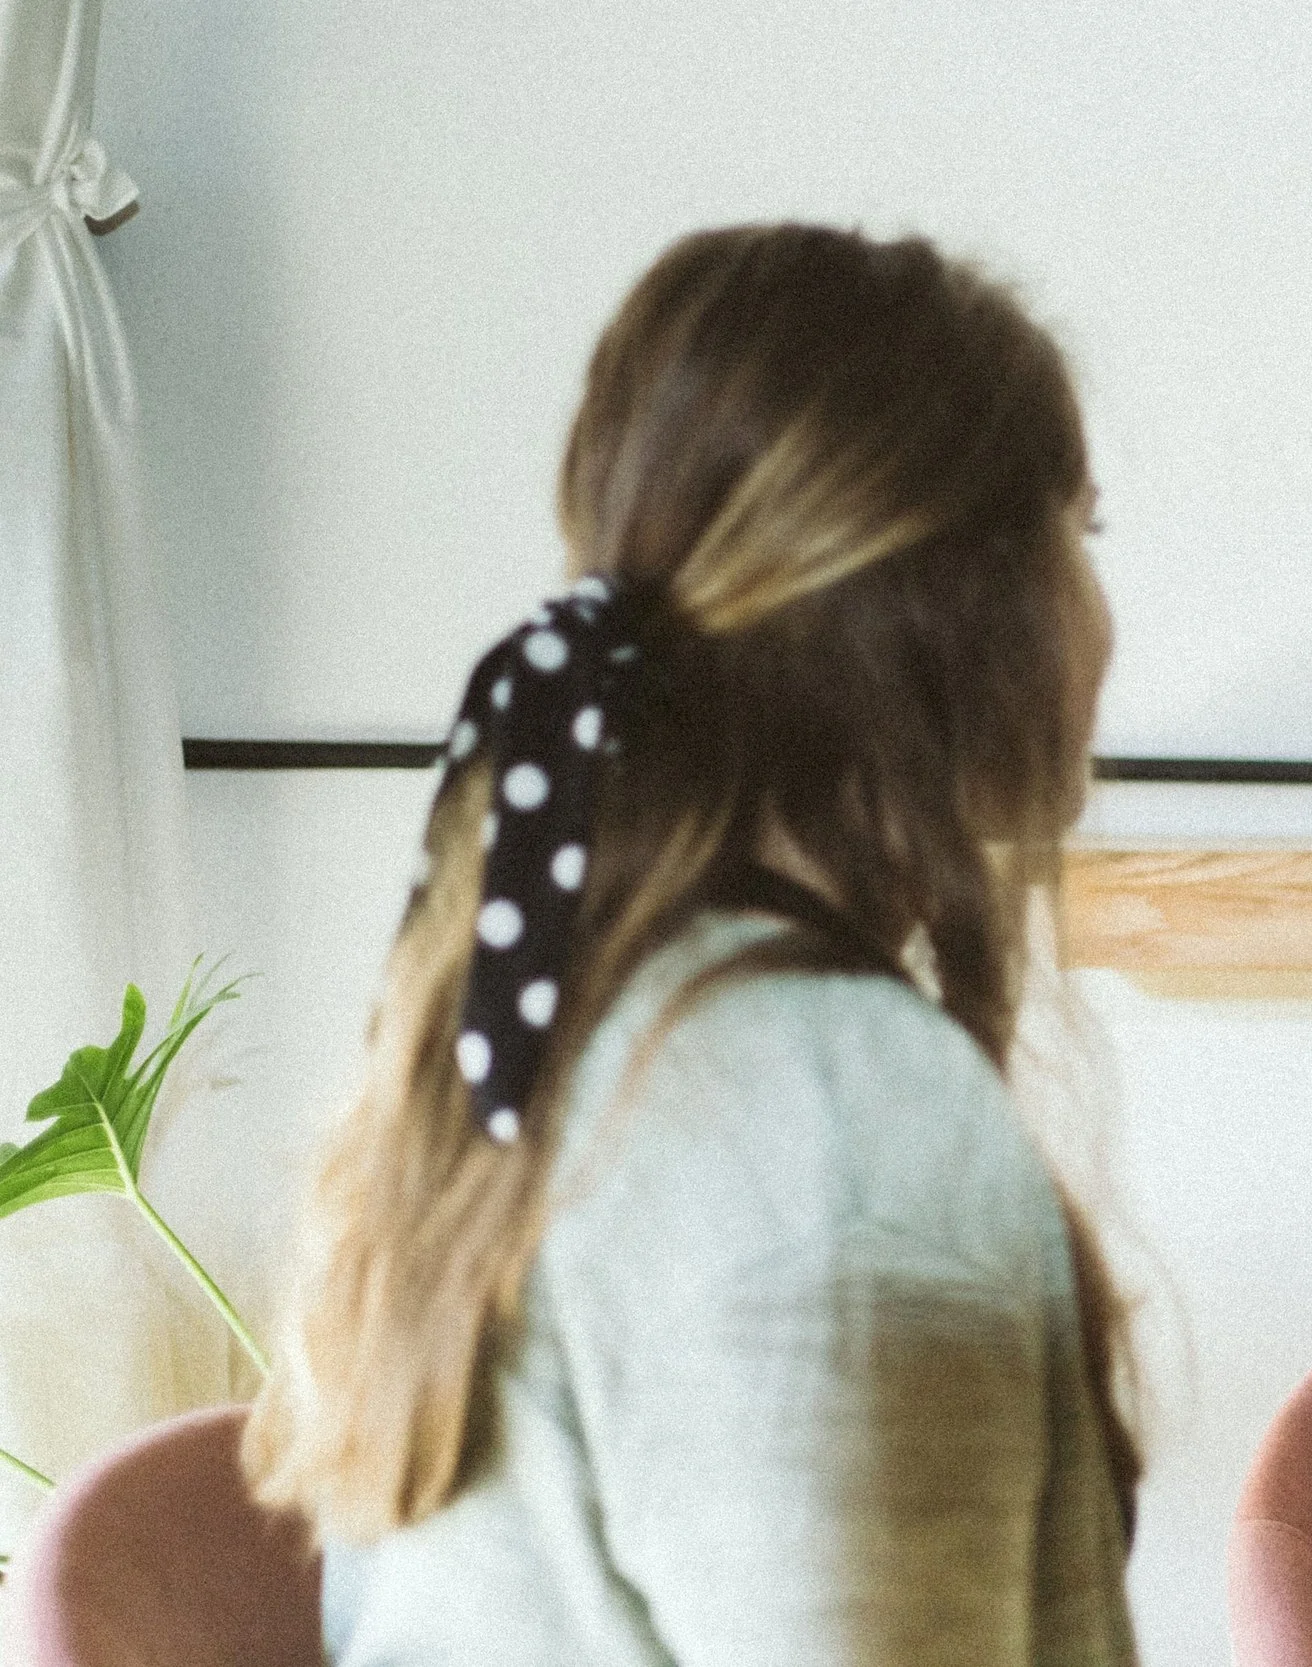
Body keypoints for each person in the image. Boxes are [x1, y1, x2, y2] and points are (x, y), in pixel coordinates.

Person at [244, 224, 1138, 1667]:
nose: (1100, 612)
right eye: (1079, 533)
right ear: (967, 611)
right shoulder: (835, 1116)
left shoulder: (564, 1008)